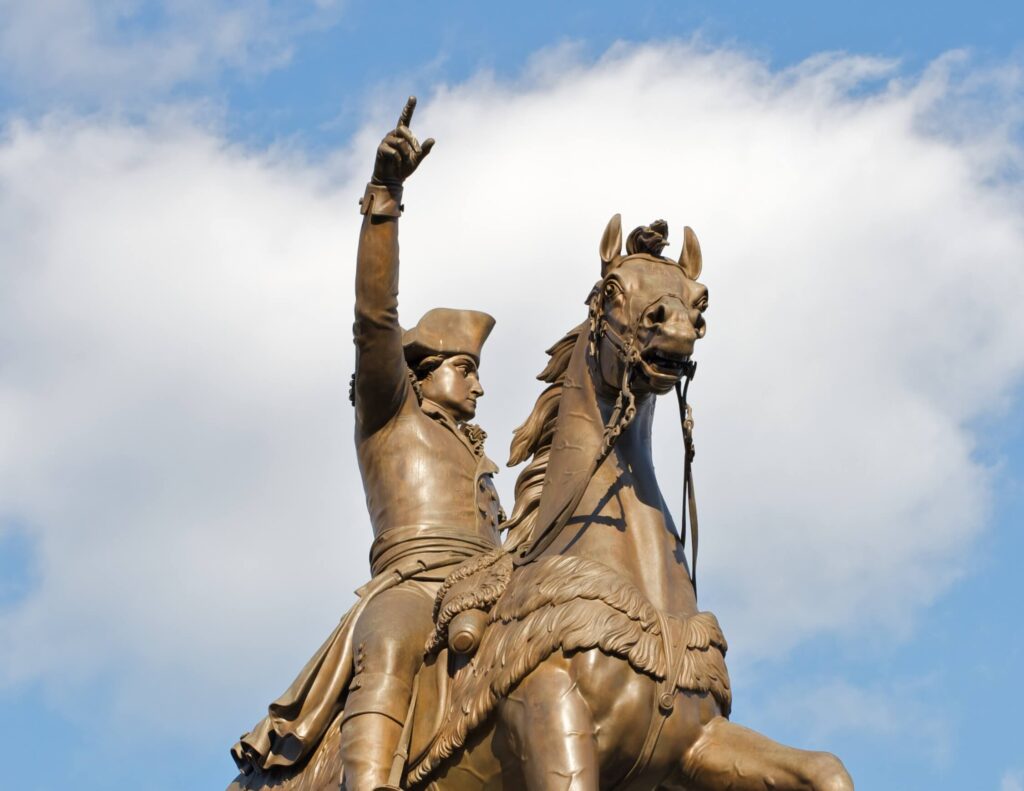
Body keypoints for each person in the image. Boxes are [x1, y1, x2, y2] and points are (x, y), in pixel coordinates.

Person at [230, 97, 503, 791]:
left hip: (491, 583)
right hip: (412, 585)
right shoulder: (389, 412)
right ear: (424, 370)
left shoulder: (476, 456)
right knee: (391, 639)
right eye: (466, 369)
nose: (478, 388)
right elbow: (373, 315)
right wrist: (386, 199)